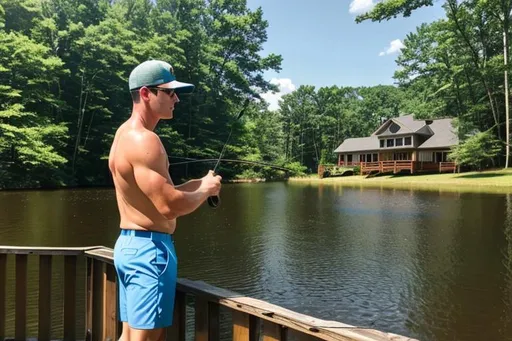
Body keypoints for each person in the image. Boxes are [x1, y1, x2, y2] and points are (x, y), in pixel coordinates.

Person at [108, 60, 222, 341]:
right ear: (146, 93)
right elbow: (169, 206)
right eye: (169, 92)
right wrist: (205, 192)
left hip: (129, 245)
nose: (177, 98)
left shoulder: (124, 134)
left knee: (129, 336)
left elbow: (157, 194)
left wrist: (200, 184)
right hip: (150, 253)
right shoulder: (145, 141)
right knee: (146, 339)